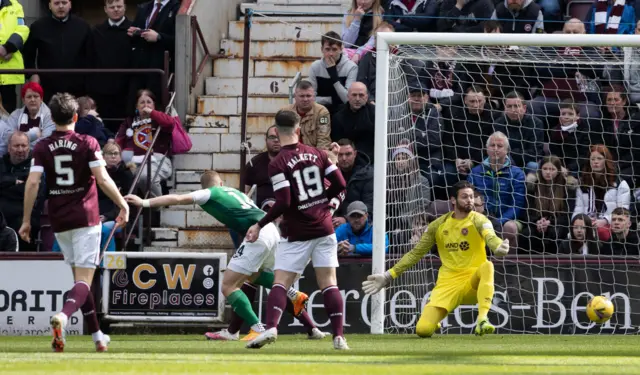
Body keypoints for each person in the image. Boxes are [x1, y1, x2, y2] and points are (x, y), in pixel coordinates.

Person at [124, 170, 327, 341]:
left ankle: (257, 327)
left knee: (228, 286)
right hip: (271, 231)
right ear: (222, 181)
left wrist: (144, 202)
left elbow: (177, 198)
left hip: (257, 234)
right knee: (252, 276)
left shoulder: (210, 193)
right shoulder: (235, 192)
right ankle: (293, 295)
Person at [19, 93, 129, 352]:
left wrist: (26, 220)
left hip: (59, 220)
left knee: (80, 280)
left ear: (52, 118)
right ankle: (63, 317)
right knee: (84, 281)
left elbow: (33, 182)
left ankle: (97, 338)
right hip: (86, 217)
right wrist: (122, 203)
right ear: (76, 117)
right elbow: (102, 179)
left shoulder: (42, 146)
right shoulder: (88, 142)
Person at [244, 109, 348, 350]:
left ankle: (270, 328)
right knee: (329, 283)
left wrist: (259, 224)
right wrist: (322, 201)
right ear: (299, 130)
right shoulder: (318, 154)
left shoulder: (277, 162)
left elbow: (284, 202)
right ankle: (339, 337)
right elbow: (341, 184)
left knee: (280, 282)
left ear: (277, 133)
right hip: (324, 227)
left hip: (297, 231)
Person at [362, 181, 510, 337]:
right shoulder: (437, 225)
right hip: (448, 283)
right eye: (465, 197)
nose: (470, 201)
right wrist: (388, 275)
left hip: (473, 282)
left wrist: (498, 247)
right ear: (453, 200)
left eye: (472, 197)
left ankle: (482, 319)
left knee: (487, 266)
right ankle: (435, 317)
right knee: (423, 330)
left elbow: (490, 237)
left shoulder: (480, 219)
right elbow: (415, 253)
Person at [23, 0, 91, 103]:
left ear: (70, 4)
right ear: (50, 5)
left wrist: (87, 87)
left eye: (64, 3)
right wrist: (32, 74)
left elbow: (91, 55)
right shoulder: (38, 27)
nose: (60, 6)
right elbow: (28, 54)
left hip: (77, 88)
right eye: (56, 3)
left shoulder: (83, 26)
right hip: (47, 87)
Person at [115, 89, 174, 197]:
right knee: (123, 176)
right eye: (142, 102)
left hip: (157, 160)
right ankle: (131, 211)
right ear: (136, 107)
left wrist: (152, 113)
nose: (145, 105)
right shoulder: (129, 121)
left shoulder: (159, 119)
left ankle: (157, 205)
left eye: (149, 102)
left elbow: (170, 123)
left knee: (144, 176)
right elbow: (119, 140)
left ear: (154, 105)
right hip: (133, 162)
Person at [308, 31, 358, 114]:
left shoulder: (351, 67)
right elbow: (310, 98)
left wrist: (333, 74)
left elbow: (347, 99)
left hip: (343, 112)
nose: (331, 53)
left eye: (334, 49)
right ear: (322, 49)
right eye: (327, 49)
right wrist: (331, 100)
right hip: (320, 110)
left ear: (341, 49)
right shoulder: (315, 66)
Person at [0, 0, 30, 113]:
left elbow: (22, 29)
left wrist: (9, 48)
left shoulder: (15, 6)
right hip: (7, 62)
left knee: (9, 113)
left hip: (8, 72)